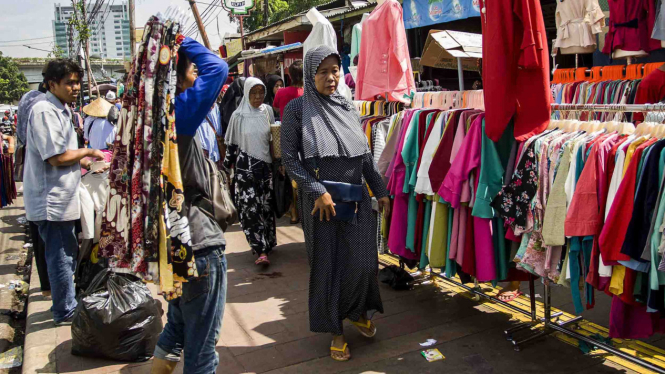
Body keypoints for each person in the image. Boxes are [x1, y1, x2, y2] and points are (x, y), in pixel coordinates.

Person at [281, 45, 391, 361]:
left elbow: (364, 155)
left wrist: (379, 189)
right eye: (323, 72)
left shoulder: (347, 106)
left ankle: (357, 312)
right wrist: (317, 189)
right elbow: (290, 159)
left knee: (361, 262)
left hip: (354, 196)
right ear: (310, 74)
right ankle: (336, 331)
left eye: (334, 70)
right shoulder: (297, 110)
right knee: (329, 266)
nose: (331, 77)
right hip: (323, 204)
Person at [151, 36, 228, 374]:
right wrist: (182, 40)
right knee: (202, 350)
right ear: (174, 75)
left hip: (171, 242)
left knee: (177, 329)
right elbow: (219, 68)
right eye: (189, 68)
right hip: (197, 241)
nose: (196, 72)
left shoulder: (142, 121)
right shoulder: (174, 117)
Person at [24, 58, 106, 325]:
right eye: (69, 82)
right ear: (52, 84)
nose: (75, 87)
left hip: (62, 198)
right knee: (61, 257)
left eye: (77, 82)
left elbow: (66, 155)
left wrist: (90, 162)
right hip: (52, 201)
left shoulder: (61, 110)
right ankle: (65, 312)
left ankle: (65, 304)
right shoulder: (45, 112)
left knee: (66, 254)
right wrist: (90, 151)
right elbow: (56, 157)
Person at [223, 78, 277, 266]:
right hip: (245, 169)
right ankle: (260, 249)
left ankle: (267, 243)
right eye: (253, 93)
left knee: (266, 207)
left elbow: (273, 139)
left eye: (261, 92)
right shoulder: (239, 116)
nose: (257, 97)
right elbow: (232, 145)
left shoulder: (267, 112)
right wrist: (225, 168)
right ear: (246, 93)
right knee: (251, 209)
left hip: (265, 169)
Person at [273, 60, 304, 224]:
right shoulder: (307, 93)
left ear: (290, 75)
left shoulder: (282, 93)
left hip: (287, 135)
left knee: (291, 173)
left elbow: (276, 108)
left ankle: (293, 212)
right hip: (305, 136)